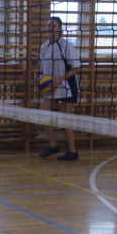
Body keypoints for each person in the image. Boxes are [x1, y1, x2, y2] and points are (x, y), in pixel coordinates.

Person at [37, 16, 81, 161]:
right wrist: (43, 84)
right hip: (52, 88)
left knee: (64, 120)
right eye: (48, 25)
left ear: (60, 28)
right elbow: (44, 71)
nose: (50, 28)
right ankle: (53, 145)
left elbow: (76, 67)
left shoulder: (67, 46)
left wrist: (60, 79)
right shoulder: (44, 47)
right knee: (42, 114)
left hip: (67, 86)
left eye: (53, 25)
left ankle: (72, 151)